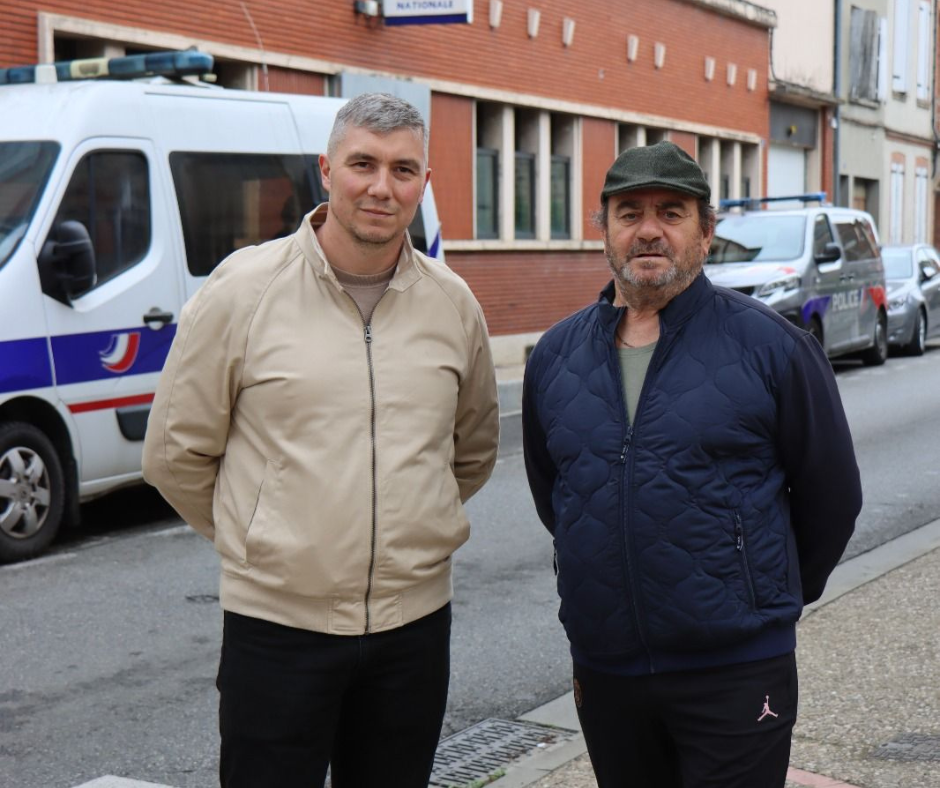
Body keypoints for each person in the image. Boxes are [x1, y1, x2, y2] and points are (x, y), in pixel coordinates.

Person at [142, 92, 500, 788]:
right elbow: (175, 453)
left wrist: (404, 526)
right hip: (277, 633)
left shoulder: (454, 305)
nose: (380, 186)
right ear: (326, 170)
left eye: (403, 170)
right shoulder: (243, 291)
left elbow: (472, 450)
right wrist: (263, 538)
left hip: (413, 630)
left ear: (423, 185)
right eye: (362, 163)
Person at [522, 141, 861, 788]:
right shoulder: (555, 358)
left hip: (735, 671)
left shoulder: (774, 349)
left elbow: (833, 498)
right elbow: (558, 495)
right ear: (604, 230)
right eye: (629, 212)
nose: (648, 229)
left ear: (705, 231)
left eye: (671, 212)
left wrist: (761, 599)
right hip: (607, 668)